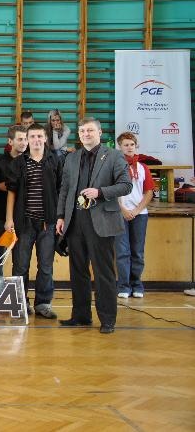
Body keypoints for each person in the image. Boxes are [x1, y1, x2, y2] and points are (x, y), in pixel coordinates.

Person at [56, 117, 132, 334]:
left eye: (90, 130)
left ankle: (107, 320)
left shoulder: (114, 156)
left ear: (100, 133)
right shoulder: (71, 158)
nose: (85, 134)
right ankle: (81, 316)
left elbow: (126, 185)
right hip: (75, 221)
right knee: (78, 271)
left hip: (101, 222)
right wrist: (61, 216)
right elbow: (65, 189)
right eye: (82, 131)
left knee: (103, 272)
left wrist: (100, 192)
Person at [4, 123, 63, 319]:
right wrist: (9, 219)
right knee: (20, 265)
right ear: (27, 140)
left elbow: (61, 190)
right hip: (24, 223)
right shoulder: (19, 163)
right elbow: (11, 192)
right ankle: (20, 303)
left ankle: (43, 303)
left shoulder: (55, 160)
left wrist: (60, 217)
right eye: (32, 137)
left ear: (45, 138)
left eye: (39, 136)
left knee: (45, 266)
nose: (36, 140)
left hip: (48, 223)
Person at [0, 125, 28, 278]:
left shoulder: (30, 163)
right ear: (10, 141)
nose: (24, 142)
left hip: (23, 218)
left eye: (26, 139)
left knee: (20, 259)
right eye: (20, 139)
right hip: (0, 218)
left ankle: (19, 291)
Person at [116, 132, 154, 299]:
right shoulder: (115, 166)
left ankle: (137, 284)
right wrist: (123, 209)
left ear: (135, 146)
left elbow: (149, 192)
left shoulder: (143, 168)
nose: (129, 147)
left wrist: (137, 210)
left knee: (137, 251)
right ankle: (123, 286)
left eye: (132, 144)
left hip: (140, 214)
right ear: (120, 147)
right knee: (122, 252)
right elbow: (112, 191)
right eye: (126, 145)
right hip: (120, 214)